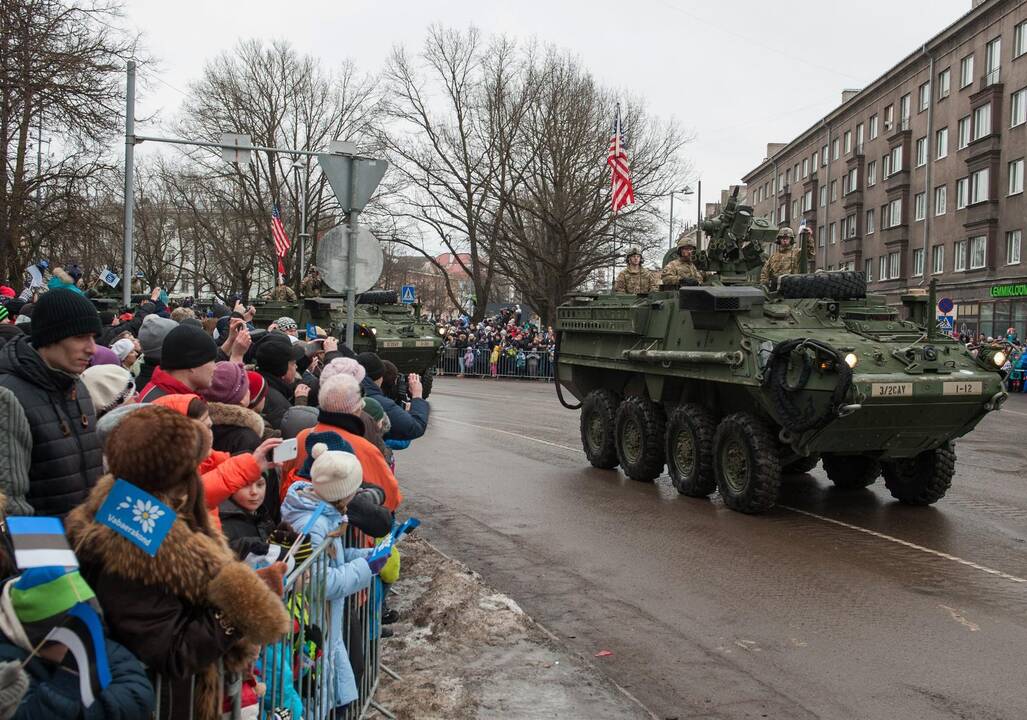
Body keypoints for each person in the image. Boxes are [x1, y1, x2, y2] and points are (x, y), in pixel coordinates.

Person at [65, 405, 289, 720]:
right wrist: (237, 610)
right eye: (192, 466)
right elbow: (171, 649)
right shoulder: (132, 545)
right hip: (169, 704)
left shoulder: (128, 509)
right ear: (171, 472)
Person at [280, 440, 386, 713]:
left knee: (336, 696)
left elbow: (332, 559)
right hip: (315, 629)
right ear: (342, 493)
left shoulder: (324, 512)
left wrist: (364, 556)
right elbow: (320, 581)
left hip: (327, 625)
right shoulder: (313, 524)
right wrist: (367, 569)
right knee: (320, 701)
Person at [0, 566, 155, 719]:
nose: (84, 641)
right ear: (39, 641)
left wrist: (82, 712)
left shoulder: (99, 645)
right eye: (72, 636)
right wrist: (67, 681)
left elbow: (138, 695)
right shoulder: (8, 664)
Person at [0, 289, 103, 516]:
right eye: (80, 337)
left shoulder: (78, 387)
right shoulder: (7, 396)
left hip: (83, 543)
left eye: (94, 337)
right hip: (42, 547)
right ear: (50, 337)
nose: (92, 349)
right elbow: (10, 506)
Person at [285, 375, 402, 511]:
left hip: (299, 520)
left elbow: (285, 480)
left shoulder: (301, 437)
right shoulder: (364, 448)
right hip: (344, 526)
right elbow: (391, 498)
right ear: (358, 410)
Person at [357, 352, 429, 442]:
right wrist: (417, 395)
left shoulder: (350, 391)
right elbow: (414, 428)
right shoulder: (379, 403)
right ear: (380, 377)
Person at [137, 324, 219, 402]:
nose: (215, 367)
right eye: (211, 361)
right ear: (192, 363)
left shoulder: (172, 395)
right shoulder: (162, 408)